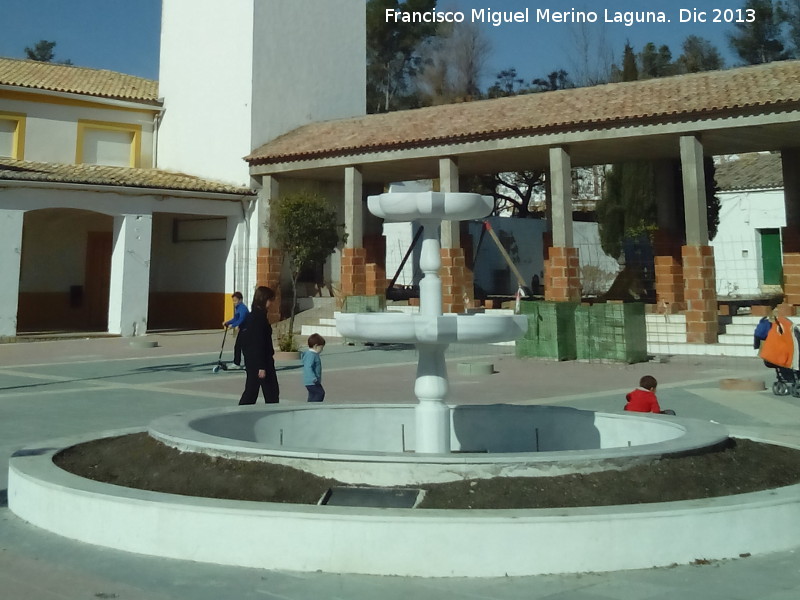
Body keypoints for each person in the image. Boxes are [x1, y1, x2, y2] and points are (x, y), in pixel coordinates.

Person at [238, 286, 280, 405]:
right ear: (264, 299)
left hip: (253, 361)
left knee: (252, 390)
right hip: (262, 362)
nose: (271, 304)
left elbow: (242, 340)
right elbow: (259, 342)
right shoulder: (259, 318)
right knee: (270, 392)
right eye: (270, 300)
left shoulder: (252, 316)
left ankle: (242, 413)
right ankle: (272, 416)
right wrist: (261, 366)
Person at [222, 291, 249, 369]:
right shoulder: (238, 308)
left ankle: (248, 363)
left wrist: (233, 325)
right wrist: (227, 323)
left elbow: (241, 319)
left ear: (240, 300)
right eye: (233, 301)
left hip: (247, 330)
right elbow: (235, 318)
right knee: (237, 346)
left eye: (235, 301)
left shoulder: (243, 308)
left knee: (244, 348)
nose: (234, 303)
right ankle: (236, 363)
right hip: (242, 330)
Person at [301, 333, 326, 402]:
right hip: (312, 381)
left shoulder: (312, 354)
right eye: (321, 347)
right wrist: (313, 378)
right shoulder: (311, 355)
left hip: (312, 381)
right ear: (316, 346)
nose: (322, 350)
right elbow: (308, 367)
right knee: (320, 393)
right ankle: (314, 408)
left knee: (312, 394)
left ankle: (309, 407)